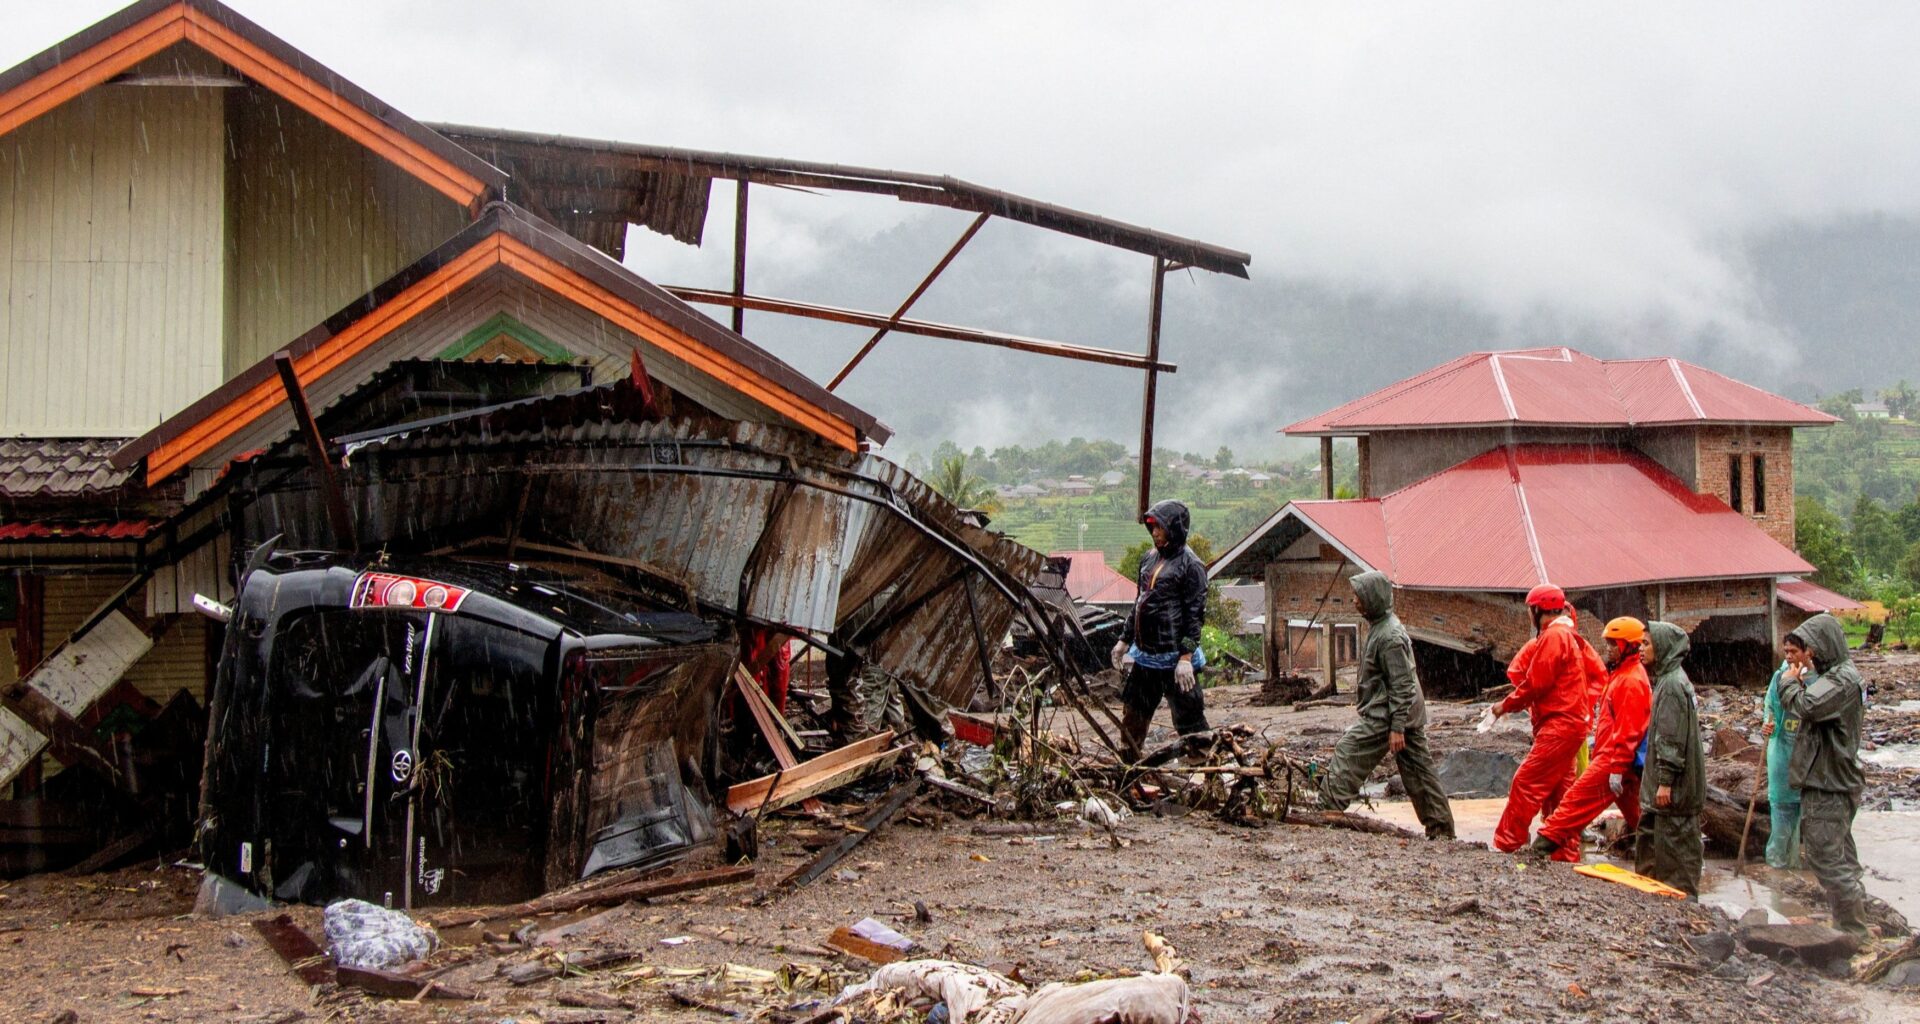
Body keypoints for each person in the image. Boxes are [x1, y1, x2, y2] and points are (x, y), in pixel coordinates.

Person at [1315, 570, 1456, 839]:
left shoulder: (1389, 636)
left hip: (1389, 716)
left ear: (1373, 598)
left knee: (1349, 751)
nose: (1354, 600)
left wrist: (1397, 727)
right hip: (1399, 713)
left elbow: (1402, 683)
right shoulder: (1382, 626)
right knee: (1419, 773)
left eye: (1359, 596)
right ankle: (1442, 830)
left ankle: (1326, 810)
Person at [1490, 584, 1606, 853]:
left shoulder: (1554, 637)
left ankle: (1508, 845)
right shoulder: (1568, 637)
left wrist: (1504, 706)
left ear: (1537, 609)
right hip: (1571, 724)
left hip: (1560, 725)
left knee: (1526, 784)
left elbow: (1534, 682)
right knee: (1559, 792)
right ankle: (1563, 853)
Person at [1529, 616, 1653, 862]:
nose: (1607, 648)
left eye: (1612, 643)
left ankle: (1536, 851)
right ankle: (1660, 862)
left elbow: (1629, 731)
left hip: (1613, 761)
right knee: (1644, 819)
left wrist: (1616, 767)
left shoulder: (1631, 680)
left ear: (1627, 646)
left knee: (1572, 805)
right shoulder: (1624, 674)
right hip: (1617, 759)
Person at [1777, 613, 1869, 937]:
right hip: (1832, 778)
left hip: (1829, 782)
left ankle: (1854, 930)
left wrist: (1788, 682)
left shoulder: (1841, 680)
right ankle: (1853, 920)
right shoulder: (1839, 677)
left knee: (1825, 857)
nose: (1808, 655)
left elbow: (1807, 706)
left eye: (1812, 648)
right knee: (1841, 856)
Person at [1111, 499, 1210, 757]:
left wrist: (1186, 657)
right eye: (1152, 527)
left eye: (1160, 527)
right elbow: (1139, 603)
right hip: (1146, 658)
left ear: (1174, 528)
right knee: (1134, 714)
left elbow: (1195, 615)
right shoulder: (1148, 559)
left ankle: (1203, 770)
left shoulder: (1192, 566)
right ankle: (1128, 766)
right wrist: (1124, 640)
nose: (1154, 532)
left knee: (1190, 719)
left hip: (1175, 660)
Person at [1636, 621, 1705, 897]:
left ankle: (1683, 907)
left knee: (1676, 856)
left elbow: (1670, 739)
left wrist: (1665, 782)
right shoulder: (1670, 680)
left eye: (1646, 644)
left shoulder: (1673, 686)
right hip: (1666, 791)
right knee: (1654, 847)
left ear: (1662, 648)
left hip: (1674, 791)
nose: (1641, 649)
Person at [1761, 633, 1809, 869]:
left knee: (1811, 825)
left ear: (1806, 652)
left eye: (1794, 652)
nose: (1789, 656)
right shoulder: (1779, 676)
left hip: (1809, 759)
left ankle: (1806, 873)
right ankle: (1777, 874)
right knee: (1781, 821)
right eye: (1786, 651)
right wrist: (1768, 723)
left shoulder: (1816, 679)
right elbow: (1769, 705)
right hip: (1782, 754)